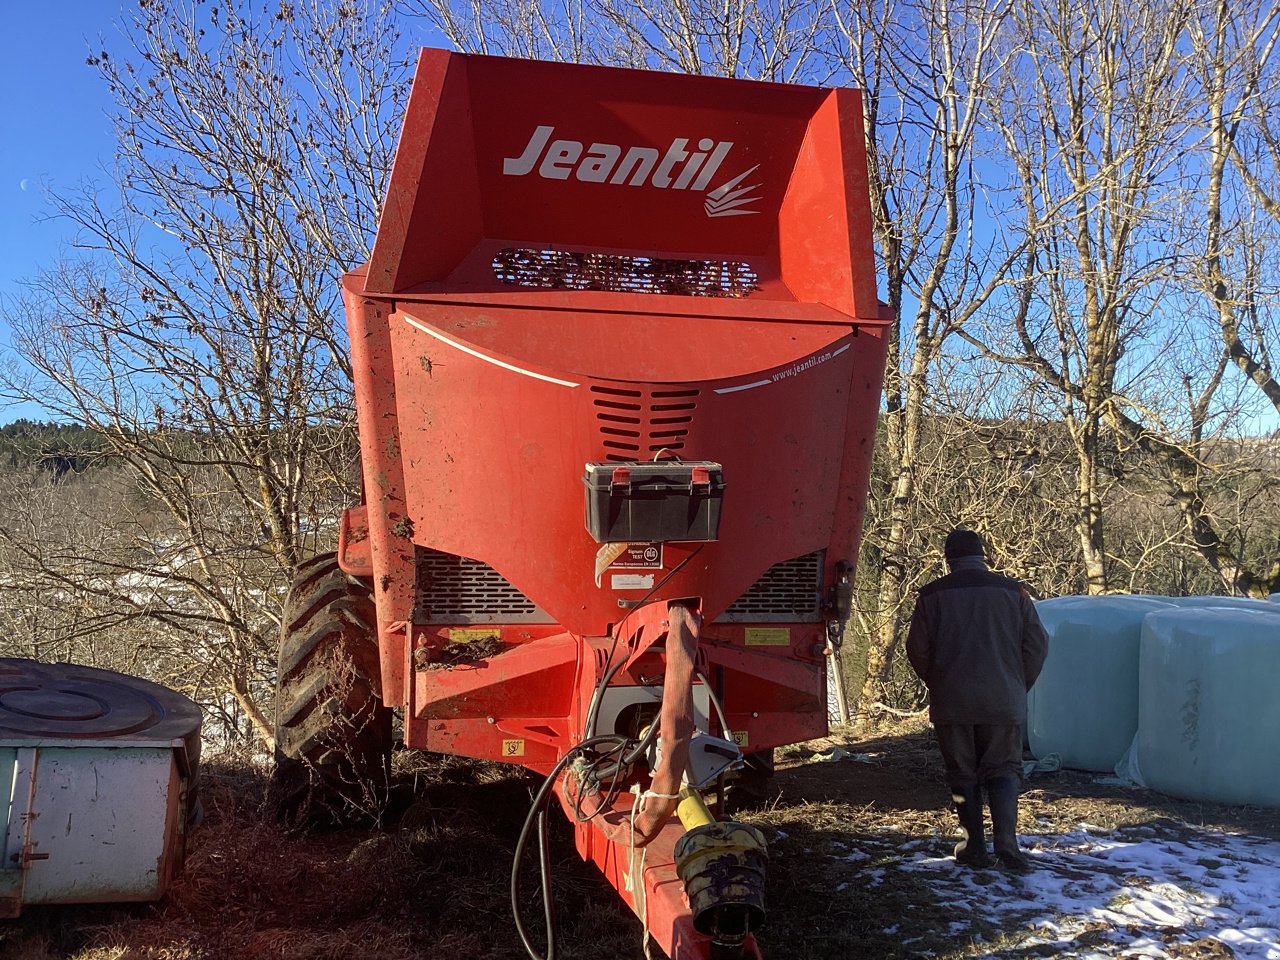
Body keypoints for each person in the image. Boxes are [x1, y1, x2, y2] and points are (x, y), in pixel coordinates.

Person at [905, 528, 1049, 871]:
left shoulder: (931, 595)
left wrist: (940, 683)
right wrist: (1017, 684)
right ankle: (1007, 844)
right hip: (1004, 700)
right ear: (983, 555)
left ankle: (973, 847)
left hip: (952, 702)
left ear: (948, 559)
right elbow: (1037, 645)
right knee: (1004, 768)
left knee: (961, 773)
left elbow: (917, 650)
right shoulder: (1013, 591)